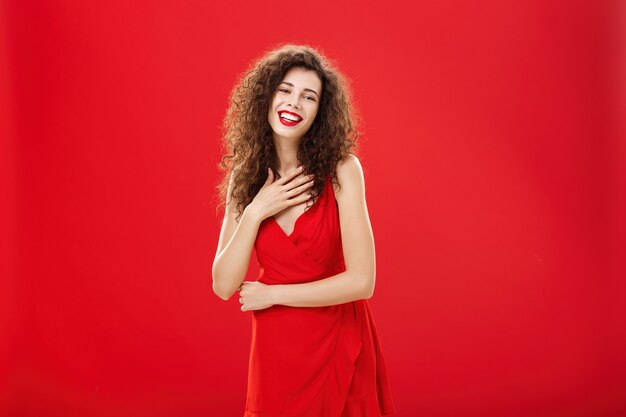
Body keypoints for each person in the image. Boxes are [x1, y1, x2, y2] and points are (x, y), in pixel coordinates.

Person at [212, 43, 397, 416]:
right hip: (276, 348)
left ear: (320, 112)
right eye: (285, 90)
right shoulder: (243, 179)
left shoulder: (343, 170)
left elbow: (363, 281)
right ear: (265, 97)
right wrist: (254, 213)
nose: (294, 103)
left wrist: (274, 295)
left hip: (338, 340)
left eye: (308, 97)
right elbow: (223, 285)